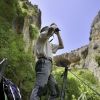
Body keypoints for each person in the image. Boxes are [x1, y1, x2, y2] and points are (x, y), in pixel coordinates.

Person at [30, 23, 64, 100]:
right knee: (39, 88)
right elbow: (48, 32)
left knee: (55, 92)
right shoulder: (41, 37)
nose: (52, 34)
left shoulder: (49, 44)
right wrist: (53, 27)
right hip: (43, 64)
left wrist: (58, 33)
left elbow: (62, 46)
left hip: (48, 67)